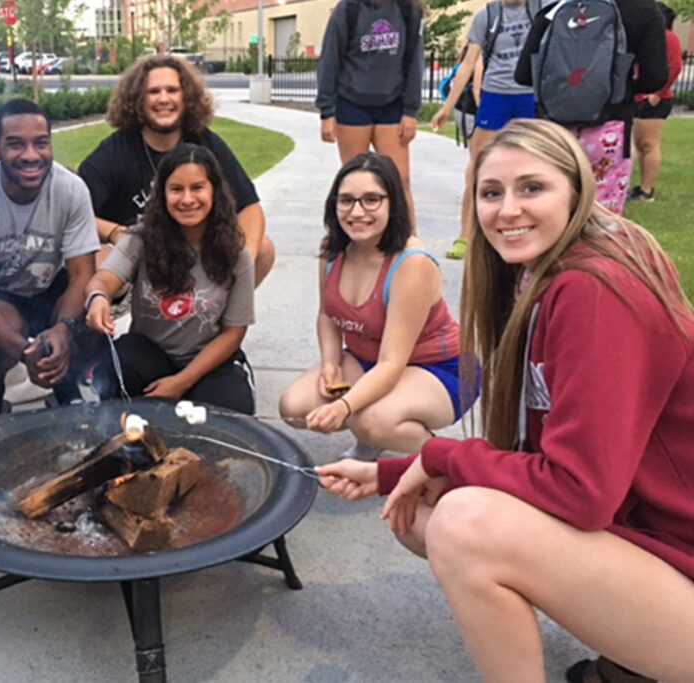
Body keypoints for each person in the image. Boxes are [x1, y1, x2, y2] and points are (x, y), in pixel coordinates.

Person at [317, 119, 694, 682]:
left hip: (678, 556)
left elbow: (582, 491)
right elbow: (558, 465)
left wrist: (440, 460)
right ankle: (629, 665)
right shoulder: (550, 277)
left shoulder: (593, 292)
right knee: (427, 512)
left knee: (463, 525)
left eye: (532, 188)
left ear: (577, 187)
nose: (507, 210)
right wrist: (393, 473)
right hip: (658, 539)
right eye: (491, 193)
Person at [278, 153, 472, 459]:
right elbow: (327, 314)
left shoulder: (412, 263)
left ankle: (450, 459)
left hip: (437, 367)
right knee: (295, 408)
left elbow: (392, 363)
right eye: (346, 200)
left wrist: (345, 406)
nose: (357, 212)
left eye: (371, 200)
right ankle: (375, 435)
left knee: (366, 419)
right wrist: (330, 362)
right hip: (367, 358)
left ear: (392, 203)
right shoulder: (333, 248)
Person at [0, 99, 100, 424]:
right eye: (15, 144)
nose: (31, 155)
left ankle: (65, 386)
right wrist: (22, 351)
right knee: (3, 324)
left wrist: (62, 330)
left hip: (48, 288)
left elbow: (83, 273)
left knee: (88, 308)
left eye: (41, 143)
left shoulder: (71, 190)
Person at [84, 144, 256, 415]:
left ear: (214, 192)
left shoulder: (236, 254)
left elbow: (234, 333)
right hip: (150, 355)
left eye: (197, 188)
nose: (187, 199)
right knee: (115, 365)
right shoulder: (141, 238)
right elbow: (103, 280)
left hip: (208, 362)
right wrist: (97, 299)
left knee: (234, 415)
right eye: (176, 189)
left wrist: (180, 383)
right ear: (162, 195)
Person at [78, 54, 274, 287]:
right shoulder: (114, 152)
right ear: (137, 100)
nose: (163, 99)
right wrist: (115, 233)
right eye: (153, 92)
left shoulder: (205, 143)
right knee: (97, 257)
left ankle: (218, 319)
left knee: (263, 248)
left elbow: (250, 207)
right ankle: (99, 320)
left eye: (172, 90)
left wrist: (244, 263)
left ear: (187, 97)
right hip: (134, 256)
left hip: (192, 248)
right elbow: (75, 213)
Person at [514, 0, 666, 214]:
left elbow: (523, 74)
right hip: (609, 127)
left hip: (554, 132)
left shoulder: (555, 10)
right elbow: (656, 77)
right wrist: (622, 87)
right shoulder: (642, 10)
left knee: (553, 211)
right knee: (603, 219)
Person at [432, 0, 542, 260]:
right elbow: (468, 64)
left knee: (536, 164)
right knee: (479, 165)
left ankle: (535, 230)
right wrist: (447, 106)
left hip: (531, 93)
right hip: (497, 94)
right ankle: (466, 235)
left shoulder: (542, 7)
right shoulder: (488, 15)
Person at [315, 0, 424, 229]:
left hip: (392, 103)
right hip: (352, 103)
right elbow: (329, 59)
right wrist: (327, 111)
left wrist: (411, 110)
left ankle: (409, 243)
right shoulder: (349, 9)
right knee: (356, 182)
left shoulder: (408, 10)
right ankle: (351, 243)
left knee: (400, 180)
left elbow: (415, 60)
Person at [629, 2, 683, 203]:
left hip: (655, 99)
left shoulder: (668, 38)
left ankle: (647, 189)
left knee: (650, 144)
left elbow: (675, 67)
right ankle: (641, 186)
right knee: (639, 145)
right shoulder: (646, 38)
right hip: (638, 96)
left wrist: (658, 93)